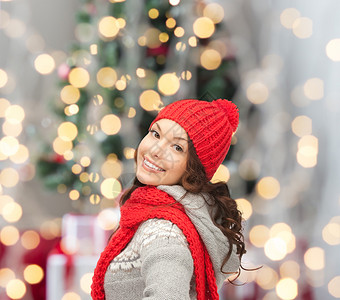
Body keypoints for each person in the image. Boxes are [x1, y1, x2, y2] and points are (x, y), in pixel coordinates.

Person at [91, 99, 247, 300]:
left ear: (195, 169)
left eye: (177, 148)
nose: (155, 150)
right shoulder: (160, 212)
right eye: (155, 134)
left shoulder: (164, 232)